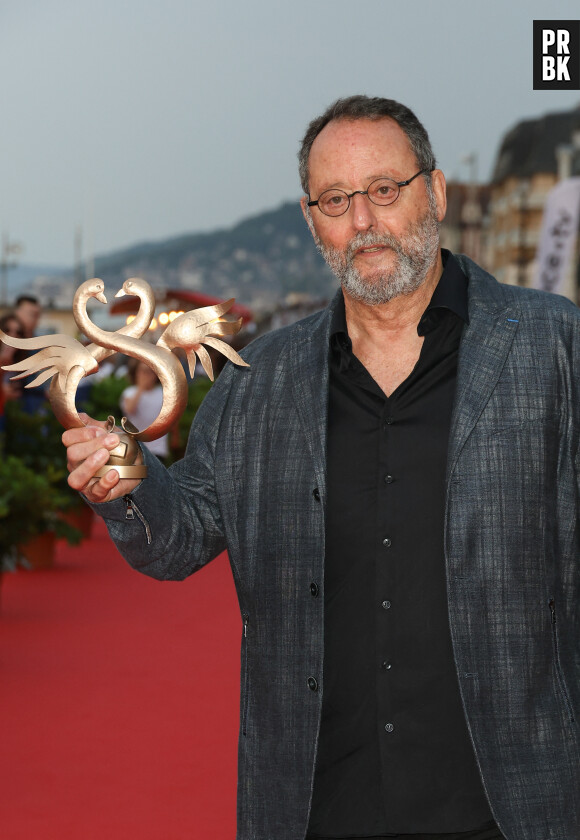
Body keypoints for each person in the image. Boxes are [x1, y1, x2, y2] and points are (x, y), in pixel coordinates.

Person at [63, 96, 579, 840]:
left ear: (432, 193)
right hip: (318, 808)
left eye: (384, 190)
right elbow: (184, 536)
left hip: (515, 803)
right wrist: (130, 480)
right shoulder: (259, 375)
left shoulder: (551, 346)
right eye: (336, 200)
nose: (363, 221)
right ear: (313, 221)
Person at [120, 359, 169, 463]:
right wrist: (141, 387)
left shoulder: (163, 393)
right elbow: (129, 408)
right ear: (136, 372)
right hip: (136, 447)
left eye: (151, 371)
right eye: (143, 371)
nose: (147, 375)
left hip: (158, 448)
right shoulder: (129, 392)